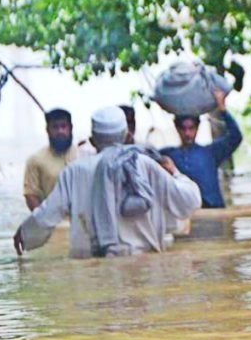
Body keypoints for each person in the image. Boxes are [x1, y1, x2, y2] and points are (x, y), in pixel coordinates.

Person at [13, 106, 202, 259]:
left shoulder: (75, 172)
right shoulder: (146, 164)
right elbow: (189, 201)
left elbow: (48, 214)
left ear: (93, 140)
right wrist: (175, 172)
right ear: (126, 135)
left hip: (92, 268)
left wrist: (25, 234)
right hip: (144, 264)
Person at [159, 90, 242, 209]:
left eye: (191, 128)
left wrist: (222, 109)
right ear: (177, 128)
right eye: (183, 129)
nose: (187, 133)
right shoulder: (167, 155)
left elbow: (236, 137)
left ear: (197, 128)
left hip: (213, 211)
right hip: (185, 213)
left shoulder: (211, 152)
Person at [23, 108, 78, 211]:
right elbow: (31, 195)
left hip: (83, 223)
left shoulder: (84, 155)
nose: (60, 131)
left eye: (63, 126)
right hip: (53, 224)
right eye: (55, 127)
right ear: (47, 130)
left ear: (70, 128)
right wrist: (45, 221)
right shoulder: (35, 160)